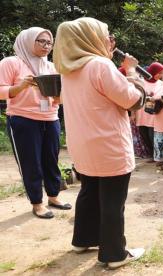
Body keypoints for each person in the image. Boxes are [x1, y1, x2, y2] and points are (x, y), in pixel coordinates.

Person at [53, 17, 144, 268]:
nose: (109, 40)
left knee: (89, 191)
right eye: (106, 35)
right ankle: (115, 254)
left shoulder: (69, 69)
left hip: (84, 145)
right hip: (108, 144)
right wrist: (132, 71)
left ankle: (83, 239)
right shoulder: (100, 65)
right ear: (91, 38)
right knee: (113, 200)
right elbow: (132, 100)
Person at [0, 27, 70, 219]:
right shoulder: (11, 62)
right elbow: (1, 91)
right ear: (28, 41)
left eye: (49, 42)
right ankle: (37, 203)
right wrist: (21, 85)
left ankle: (54, 196)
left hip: (51, 118)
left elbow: (60, 99)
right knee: (31, 163)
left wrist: (58, 96)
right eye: (42, 41)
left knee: (52, 160)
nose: (46, 46)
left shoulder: (50, 66)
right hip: (23, 119)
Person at [136, 62, 163, 158]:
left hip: (154, 113)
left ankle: (157, 155)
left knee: (153, 135)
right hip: (141, 113)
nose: (160, 75)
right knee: (144, 134)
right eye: (159, 73)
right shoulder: (141, 82)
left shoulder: (161, 84)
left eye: (162, 73)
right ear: (152, 72)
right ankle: (152, 154)